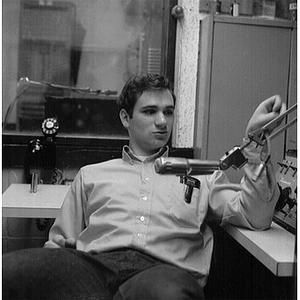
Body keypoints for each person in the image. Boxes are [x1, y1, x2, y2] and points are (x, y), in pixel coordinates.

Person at [3, 73, 286, 300]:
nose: (162, 121)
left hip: (161, 272)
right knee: (10, 272)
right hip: (93, 268)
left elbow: (255, 216)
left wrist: (256, 144)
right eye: (150, 111)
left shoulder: (202, 175)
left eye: (169, 112)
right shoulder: (91, 175)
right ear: (126, 118)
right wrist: (59, 251)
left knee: (167, 294)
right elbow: (59, 241)